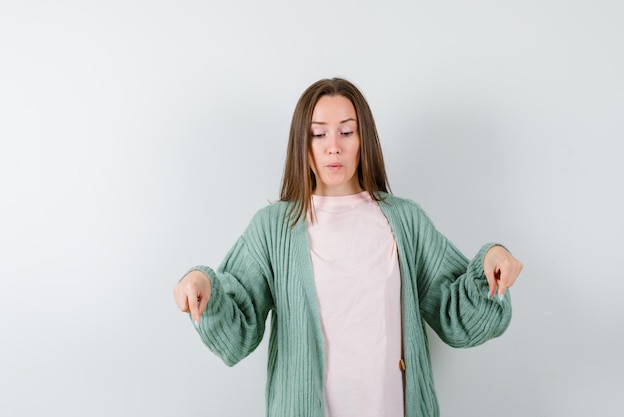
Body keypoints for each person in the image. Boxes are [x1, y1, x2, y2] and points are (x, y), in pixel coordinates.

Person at [172, 77, 523, 417]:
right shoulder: (273, 228)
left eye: (346, 131)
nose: (333, 146)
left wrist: (490, 264)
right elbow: (237, 330)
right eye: (319, 133)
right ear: (303, 144)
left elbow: (455, 315)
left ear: (363, 139)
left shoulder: (406, 221)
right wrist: (203, 284)